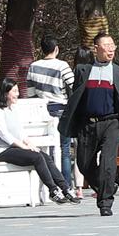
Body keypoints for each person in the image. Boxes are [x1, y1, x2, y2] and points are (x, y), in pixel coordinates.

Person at [61, 32, 119, 216]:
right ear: (96, 48)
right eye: (106, 45)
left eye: (112, 45)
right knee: (84, 163)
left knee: (108, 164)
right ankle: (105, 186)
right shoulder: (83, 71)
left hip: (111, 122)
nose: (110, 49)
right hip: (87, 124)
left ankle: (105, 203)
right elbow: (75, 97)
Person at [0, 79, 76, 203]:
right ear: (5, 93)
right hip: (1, 151)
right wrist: (24, 147)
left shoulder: (13, 110)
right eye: (14, 91)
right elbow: (5, 135)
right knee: (37, 157)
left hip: (15, 149)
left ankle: (65, 188)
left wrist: (30, 144)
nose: (17, 94)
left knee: (44, 156)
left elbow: (20, 133)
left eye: (17, 90)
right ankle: (53, 190)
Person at [26, 35, 77, 196]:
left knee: (47, 150)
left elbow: (30, 93)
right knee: (64, 149)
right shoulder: (62, 65)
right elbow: (74, 85)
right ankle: (66, 185)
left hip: (41, 111)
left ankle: (52, 185)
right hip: (61, 109)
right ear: (56, 49)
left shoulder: (33, 66)